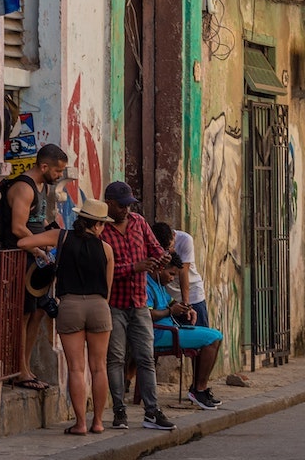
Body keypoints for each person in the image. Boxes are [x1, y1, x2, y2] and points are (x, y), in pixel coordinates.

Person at [17, 198, 114, 435]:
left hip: (70, 306)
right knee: (99, 367)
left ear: (80, 219)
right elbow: (107, 290)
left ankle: (80, 424)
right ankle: (98, 422)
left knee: (76, 369)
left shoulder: (61, 237)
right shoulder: (106, 249)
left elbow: (23, 241)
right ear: (99, 225)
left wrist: (44, 250)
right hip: (99, 307)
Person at [99, 181, 174, 431]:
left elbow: (155, 249)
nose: (126, 211)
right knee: (116, 358)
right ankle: (119, 410)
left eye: (129, 206)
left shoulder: (139, 223)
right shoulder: (101, 230)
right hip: (114, 304)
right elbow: (102, 270)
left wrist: (161, 258)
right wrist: (134, 267)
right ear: (109, 203)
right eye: (122, 206)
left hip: (139, 302)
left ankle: (152, 410)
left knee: (145, 357)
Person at [0, 144, 68, 390]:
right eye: (58, 171)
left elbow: (40, 221)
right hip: (21, 259)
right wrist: (39, 248)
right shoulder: (23, 188)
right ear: (44, 166)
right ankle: (19, 370)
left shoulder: (41, 188)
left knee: (38, 313)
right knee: (22, 314)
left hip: (37, 262)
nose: (59, 176)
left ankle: (25, 366)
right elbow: (18, 228)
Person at [147, 254, 225, 410]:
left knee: (215, 335)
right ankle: (199, 390)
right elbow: (147, 314)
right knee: (212, 338)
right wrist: (171, 311)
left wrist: (185, 308)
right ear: (160, 269)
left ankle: (198, 387)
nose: (171, 279)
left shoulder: (159, 284)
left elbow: (170, 301)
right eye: (171, 274)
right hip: (160, 334)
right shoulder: (146, 285)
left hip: (171, 329)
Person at [151, 224, 209, 328]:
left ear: (174, 236)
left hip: (191, 294)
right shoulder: (155, 245)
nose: (169, 251)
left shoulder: (185, 240)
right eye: (166, 249)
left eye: (170, 247)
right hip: (169, 297)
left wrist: (186, 304)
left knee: (199, 331)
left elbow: (183, 272)